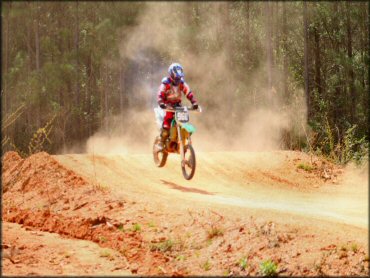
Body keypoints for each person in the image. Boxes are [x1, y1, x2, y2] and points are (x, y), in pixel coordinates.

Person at [156, 63, 199, 150]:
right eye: (176, 77)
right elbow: (160, 93)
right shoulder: (165, 83)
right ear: (171, 75)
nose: (177, 80)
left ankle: (184, 140)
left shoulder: (182, 84)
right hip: (167, 105)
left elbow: (188, 93)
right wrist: (161, 102)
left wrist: (194, 102)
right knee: (167, 120)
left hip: (178, 106)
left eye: (179, 78)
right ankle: (161, 140)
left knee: (184, 120)